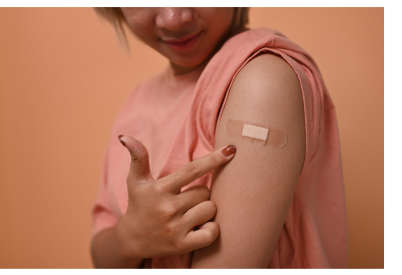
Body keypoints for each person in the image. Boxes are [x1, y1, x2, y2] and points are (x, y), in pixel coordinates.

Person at [90, 7, 348, 268]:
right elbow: (101, 253)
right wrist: (127, 238)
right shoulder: (137, 101)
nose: (173, 20)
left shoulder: (262, 81)